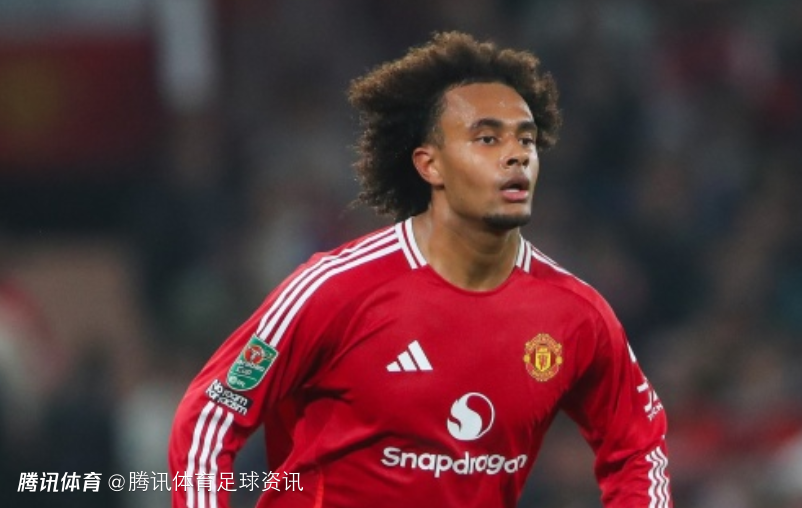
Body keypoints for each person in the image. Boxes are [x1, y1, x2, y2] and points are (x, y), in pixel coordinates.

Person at [168, 31, 673, 508]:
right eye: (487, 139)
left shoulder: (575, 315)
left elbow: (638, 448)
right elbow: (211, 414)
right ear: (430, 165)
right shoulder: (335, 290)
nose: (516, 156)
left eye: (526, 140)